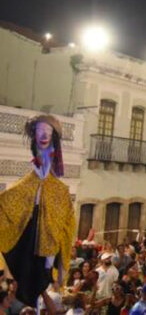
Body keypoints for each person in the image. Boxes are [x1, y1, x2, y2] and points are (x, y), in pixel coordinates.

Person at [0, 115, 76, 307]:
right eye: (40, 130)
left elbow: (65, 226)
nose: (44, 134)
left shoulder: (60, 189)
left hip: (49, 189)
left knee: (54, 226)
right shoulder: (25, 182)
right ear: (34, 135)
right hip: (32, 195)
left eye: (48, 131)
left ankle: (47, 269)